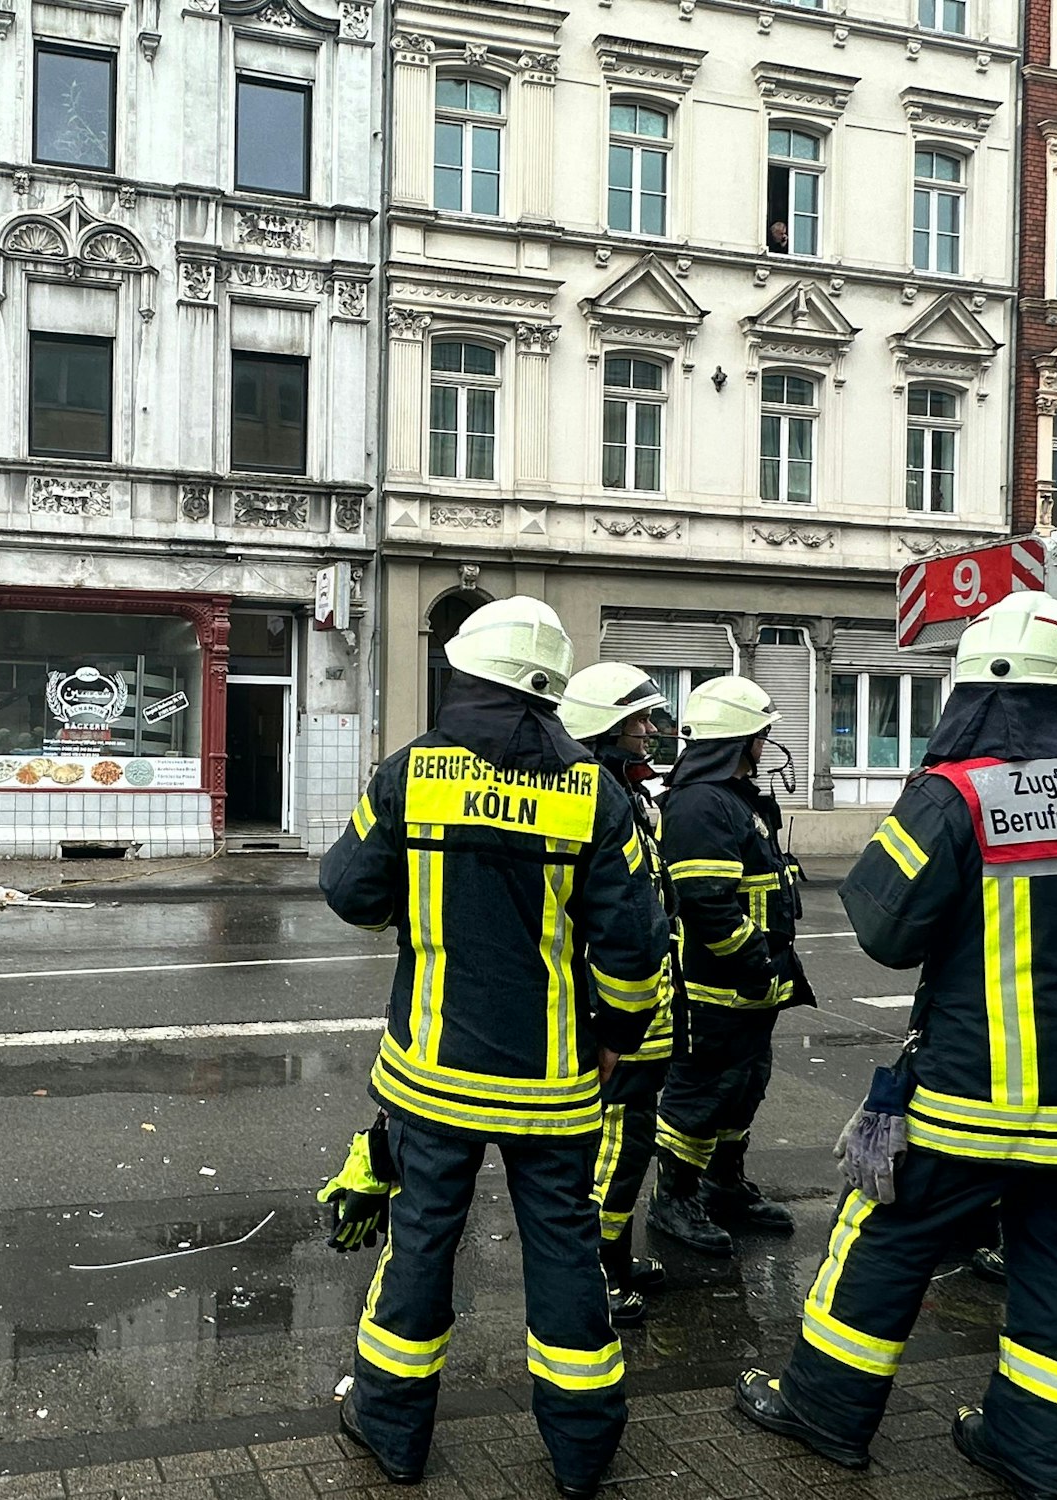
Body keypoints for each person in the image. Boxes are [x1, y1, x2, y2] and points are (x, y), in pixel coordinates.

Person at [733, 594, 1057, 1500]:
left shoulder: (958, 791)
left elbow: (881, 926)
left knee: (883, 1236)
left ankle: (824, 1412)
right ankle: (1039, 1454)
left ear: (976, 690)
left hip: (976, 1095)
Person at [319, 596, 669, 1500]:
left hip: (430, 1076)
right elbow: (635, 946)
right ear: (550, 690)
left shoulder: (411, 774)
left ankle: (394, 1433)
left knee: (422, 1242)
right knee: (564, 1253)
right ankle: (583, 1451)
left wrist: (414, 898)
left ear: (465, 675)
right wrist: (616, 1038)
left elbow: (348, 892)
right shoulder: (592, 791)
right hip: (553, 1085)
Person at [648, 676, 806, 1256]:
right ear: (742, 738)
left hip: (751, 987)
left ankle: (722, 1184)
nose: (767, 742)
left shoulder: (731, 797)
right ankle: (675, 1198)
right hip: (719, 986)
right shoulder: (701, 803)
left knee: (743, 1086)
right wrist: (752, 961)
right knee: (701, 1091)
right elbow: (708, 902)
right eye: (761, 732)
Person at [560, 662, 678, 1325]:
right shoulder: (597, 802)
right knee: (612, 1150)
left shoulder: (630, 795)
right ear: (603, 730)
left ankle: (619, 1258)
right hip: (615, 1015)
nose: (648, 732)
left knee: (631, 1145)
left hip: (645, 1010)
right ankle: (596, 1277)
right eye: (635, 722)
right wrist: (613, 1021)